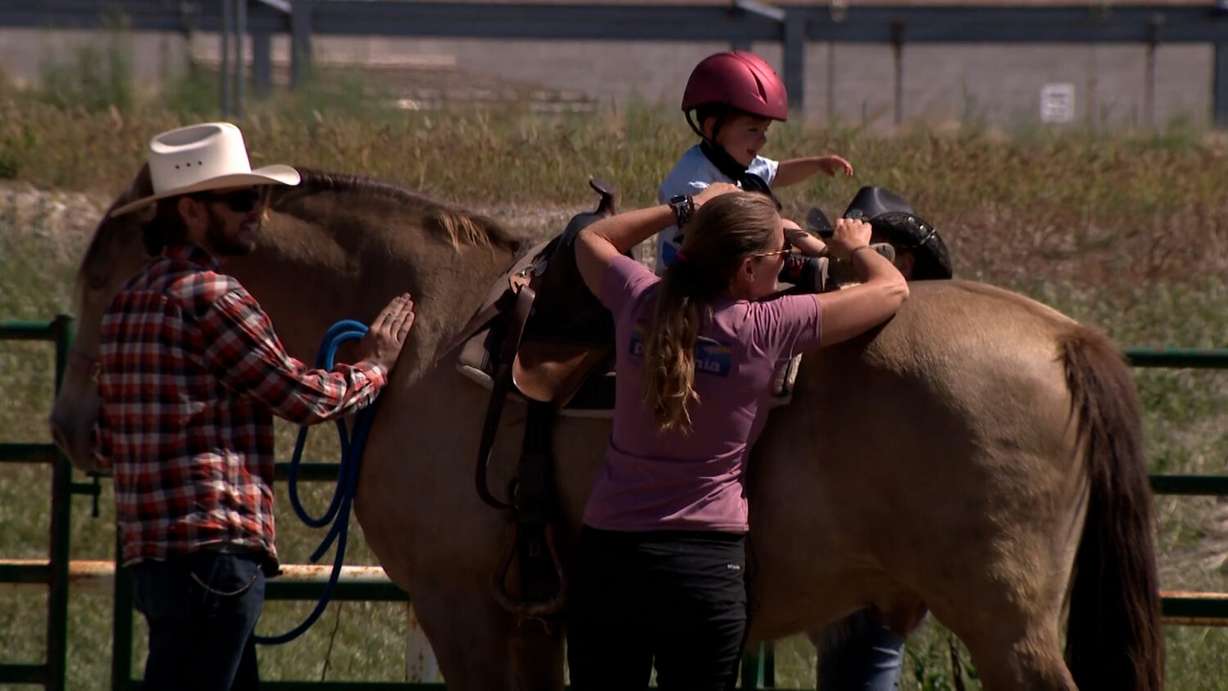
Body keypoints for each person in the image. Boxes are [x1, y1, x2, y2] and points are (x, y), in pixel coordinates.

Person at [92, 122, 416, 691]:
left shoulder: (128, 302)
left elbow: (106, 435)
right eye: (242, 200)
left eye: (259, 198)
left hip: (154, 557)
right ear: (191, 210)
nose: (257, 214)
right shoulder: (216, 298)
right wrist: (377, 367)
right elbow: (300, 396)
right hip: (214, 555)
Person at [570, 183, 909, 690]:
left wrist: (684, 208)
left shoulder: (639, 298)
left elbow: (590, 239)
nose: (785, 262)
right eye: (779, 254)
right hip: (704, 568)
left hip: (609, 560)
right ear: (748, 269)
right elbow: (892, 289)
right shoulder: (765, 326)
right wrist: (855, 245)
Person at [656, 50, 855, 273]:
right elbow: (726, 229)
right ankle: (834, 261)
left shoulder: (737, 162)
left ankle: (834, 262)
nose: (763, 139)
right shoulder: (693, 181)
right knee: (782, 227)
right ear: (712, 128)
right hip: (685, 290)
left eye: (765, 130)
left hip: (726, 275)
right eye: (753, 129)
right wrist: (783, 231)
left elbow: (777, 172)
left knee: (780, 233)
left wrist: (818, 164)